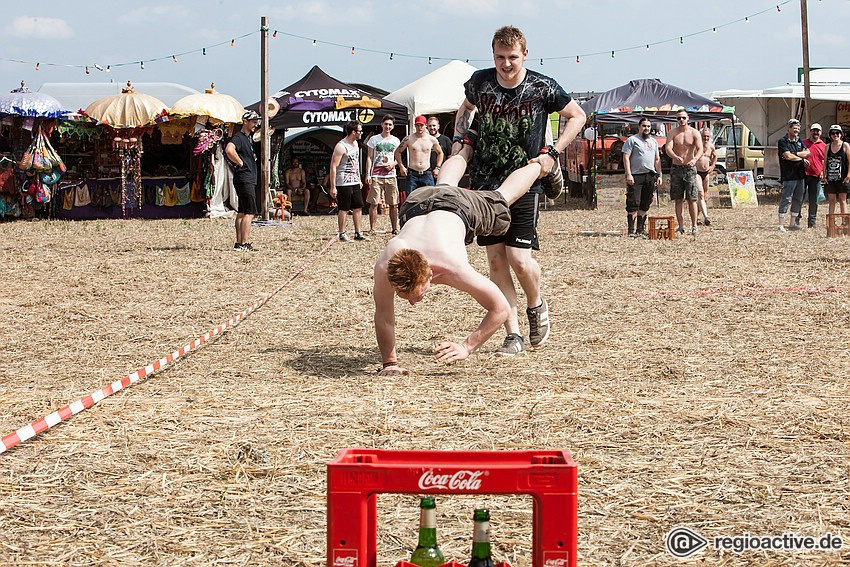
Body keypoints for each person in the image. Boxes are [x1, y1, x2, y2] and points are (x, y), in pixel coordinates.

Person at [451, 25, 586, 356]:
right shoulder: (480, 82)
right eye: (500, 57)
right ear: (492, 55)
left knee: (520, 260)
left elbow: (577, 115)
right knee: (496, 261)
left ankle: (536, 303)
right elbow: (465, 109)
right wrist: (459, 141)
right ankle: (513, 335)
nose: (506, 64)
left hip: (526, 180)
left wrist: (553, 153)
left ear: (525, 54)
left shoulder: (542, 86)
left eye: (512, 57)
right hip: (485, 183)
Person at [374, 147, 545, 376]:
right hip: (416, 204)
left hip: (457, 206)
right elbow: (384, 316)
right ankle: (464, 148)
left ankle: (543, 162)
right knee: (444, 182)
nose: (413, 303)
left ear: (430, 274)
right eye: (405, 296)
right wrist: (390, 364)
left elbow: (501, 308)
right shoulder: (387, 264)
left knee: (503, 197)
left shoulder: (453, 266)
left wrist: (467, 346)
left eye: (416, 294)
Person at [664, 109, 704, 235]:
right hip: (676, 168)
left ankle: (694, 225)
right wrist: (674, 156)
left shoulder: (694, 133)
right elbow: (668, 147)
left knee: (692, 198)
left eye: (683, 118)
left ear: (688, 118)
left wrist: (695, 159)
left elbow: (700, 148)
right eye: (679, 118)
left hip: (690, 168)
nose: (681, 120)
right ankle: (681, 226)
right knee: (678, 199)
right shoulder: (673, 132)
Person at [225, 110, 260, 251]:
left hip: (243, 178)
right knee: (249, 212)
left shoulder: (247, 138)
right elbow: (229, 149)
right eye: (253, 121)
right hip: (245, 178)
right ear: (245, 121)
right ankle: (244, 243)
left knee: (242, 211)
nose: (255, 124)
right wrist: (240, 163)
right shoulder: (239, 137)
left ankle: (239, 243)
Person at [622, 117, 662, 237]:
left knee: (645, 202)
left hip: (650, 175)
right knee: (633, 202)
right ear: (639, 127)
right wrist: (628, 174)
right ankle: (631, 230)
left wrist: (659, 174)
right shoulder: (632, 140)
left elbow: (657, 159)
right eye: (644, 126)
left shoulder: (653, 142)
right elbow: (626, 157)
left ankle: (640, 229)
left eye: (648, 126)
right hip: (635, 176)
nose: (646, 128)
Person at [329, 121, 366, 241]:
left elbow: (356, 164)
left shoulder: (355, 144)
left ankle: (358, 232)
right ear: (353, 132)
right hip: (343, 181)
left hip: (354, 180)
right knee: (344, 208)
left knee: (358, 206)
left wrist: (358, 179)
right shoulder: (341, 146)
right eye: (360, 131)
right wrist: (333, 186)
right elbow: (333, 166)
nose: (361, 133)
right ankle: (342, 232)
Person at [365, 115, 401, 234]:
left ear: (393, 126)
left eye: (390, 124)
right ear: (381, 124)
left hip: (390, 175)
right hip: (376, 175)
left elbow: (399, 158)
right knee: (374, 203)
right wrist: (368, 174)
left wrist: (393, 164)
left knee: (393, 203)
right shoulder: (374, 139)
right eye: (386, 124)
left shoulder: (396, 140)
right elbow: (369, 157)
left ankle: (395, 228)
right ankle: (372, 228)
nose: (388, 126)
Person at [395, 115, 444, 194]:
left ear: (425, 126)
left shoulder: (432, 140)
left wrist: (438, 167)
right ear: (415, 126)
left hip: (426, 173)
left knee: (429, 197)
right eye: (417, 125)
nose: (419, 127)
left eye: (421, 125)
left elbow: (440, 153)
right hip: (412, 173)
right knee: (411, 199)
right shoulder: (408, 139)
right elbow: (397, 152)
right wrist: (401, 167)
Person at [777, 118, 810, 232]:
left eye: (798, 128)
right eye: (794, 128)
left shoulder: (799, 141)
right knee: (786, 198)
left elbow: (808, 152)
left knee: (798, 198)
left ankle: (792, 223)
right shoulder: (783, 141)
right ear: (789, 128)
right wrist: (801, 159)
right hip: (789, 175)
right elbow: (787, 156)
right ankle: (781, 224)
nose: (796, 130)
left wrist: (795, 154)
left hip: (800, 175)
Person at [802, 123, 826, 228]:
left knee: (813, 200)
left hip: (816, 176)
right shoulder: (803, 143)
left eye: (817, 131)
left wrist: (822, 171)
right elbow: (797, 154)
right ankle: (796, 220)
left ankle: (812, 223)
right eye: (814, 130)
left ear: (820, 132)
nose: (815, 132)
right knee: (799, 198)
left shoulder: (824, 146)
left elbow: (825, 161)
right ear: (810, 131)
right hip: (802, 174)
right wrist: (802, 160)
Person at [824, 124, 850, 216]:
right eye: (833, 133)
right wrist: (824, 175)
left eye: (837, 133)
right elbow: (825, 162)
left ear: (841, 134)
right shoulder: (827, 147)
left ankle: (845, 222)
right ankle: (831, 222)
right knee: (831, 200)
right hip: (831, 177)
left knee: (842, 200)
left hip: (843, 177)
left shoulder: (845, 146)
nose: (835, 135)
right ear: (830, 135)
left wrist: (848, 175)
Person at [696, 128, 717, 226]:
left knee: (704, 196)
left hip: (706, 173)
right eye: (704, 136)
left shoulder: (711, 146)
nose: (706, 138)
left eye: (708, 136)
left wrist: (712, 166)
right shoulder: (697, 146)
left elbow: (715, 156)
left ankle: (696, 217)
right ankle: (706, 217)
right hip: (697, 172)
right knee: (700, 193)